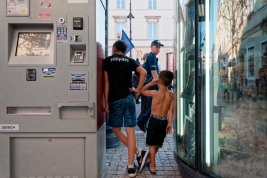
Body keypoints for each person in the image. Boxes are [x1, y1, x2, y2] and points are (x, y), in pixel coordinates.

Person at [103, 40, 150, 177]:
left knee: (116, 130)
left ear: (115, 48)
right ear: (124, 50)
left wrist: (106, 102)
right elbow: (143, 72)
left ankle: (138, 153)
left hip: (115, 100)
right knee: (130, 131)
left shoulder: (108, 61)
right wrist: (138, 90)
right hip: (129, 98)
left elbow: (106, 82)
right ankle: (131, 166)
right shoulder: (129, 60)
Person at [139, 70, 174, 174]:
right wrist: (169, 123)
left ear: (159, 80)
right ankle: (150, 160)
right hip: (164, 121)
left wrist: (150, 83)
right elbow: (171, 110)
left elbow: (141, 91)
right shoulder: (171, 95)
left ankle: (152, 166)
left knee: (152, 144)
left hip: (154, 120)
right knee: (158, 143)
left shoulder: (155, 93)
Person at [137, 40, 164, 132]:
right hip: (150, 86)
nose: (158, 49)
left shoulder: (153, 57)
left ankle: (142, 121)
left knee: (150, 106)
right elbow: (153, 73)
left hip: (150, 85)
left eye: (159, 47)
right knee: (150, 106)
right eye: (157, 47)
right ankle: (141, 121)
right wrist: (159, 87)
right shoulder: (151, 57)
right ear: (151, 47)